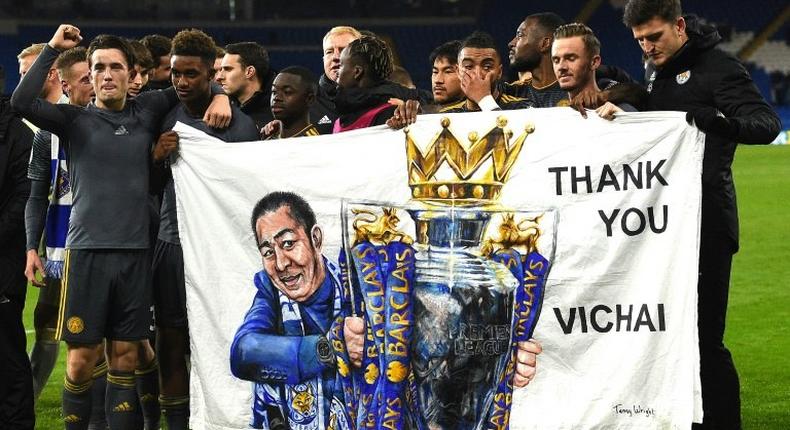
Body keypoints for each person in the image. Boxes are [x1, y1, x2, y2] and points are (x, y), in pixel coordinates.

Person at [11, 24, 231, 429]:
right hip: (87, 255)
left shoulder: (147, 110)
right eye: (98, 68)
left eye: (115, 67)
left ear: (133, 75)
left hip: (135, 255)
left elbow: (193, 86)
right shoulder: (73, 121)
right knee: (79, 362)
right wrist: (54, 49)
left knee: (126, 358)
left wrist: (219, 95)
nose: (107, 74)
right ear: (89, 77)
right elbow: (21, 100)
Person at [622, 1, 781, 428]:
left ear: (679, 26)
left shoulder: (718, 68)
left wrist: (721, 123)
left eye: (654, 37)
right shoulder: (656, 67)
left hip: (707, 221)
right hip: (665, 225)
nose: (648, 47)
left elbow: (766, 125)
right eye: (640, 40)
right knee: (667, 335)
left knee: (704, 339)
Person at [150, 28, 259, 430]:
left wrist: (222, 96)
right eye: (176, 73)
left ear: (210, 72)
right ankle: (177, 421)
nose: (181, 81)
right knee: (171, 340)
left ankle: (225, 418)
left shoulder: (237, 126)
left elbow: (246, 193)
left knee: (218, 338)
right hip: (171, 242)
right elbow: (147, 183)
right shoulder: (164, 115)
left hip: (219, 250)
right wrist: (156, 158)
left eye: (191, 74)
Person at [230, 191, 351, 429]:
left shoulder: (355, 291)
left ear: (315, 239)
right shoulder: (270, 294)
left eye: (288, 244)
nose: (281, 263)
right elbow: (243, 353)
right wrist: (330, 347)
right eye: (268, 252)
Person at [0, 93, 35, 430]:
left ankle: (16, 423)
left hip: (4, 259)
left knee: (6, 349)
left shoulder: (18, 134)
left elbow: (25, 195)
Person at [550, 23, 638, 119]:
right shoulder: (551, 111)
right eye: (556, 60)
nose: (561, 67)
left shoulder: (619, 110)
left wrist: (623, 119)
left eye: (571, 58)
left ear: (594, 62)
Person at [440, 31, 533, 113]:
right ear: (458, 71)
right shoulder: (447, 115)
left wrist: (484, 100)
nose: (478, 74)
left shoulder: (522, 108)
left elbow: (510, 132)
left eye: (487, 67)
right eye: (468, 66)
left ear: (499, 72)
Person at [333, 35, 402, 132]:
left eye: (341, 66)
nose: (337, 72)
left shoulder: (392, 117)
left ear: (357, 72)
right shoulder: (340, 119)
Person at [312, 26, 362, 133]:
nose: (335, 57)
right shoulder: (308, 102)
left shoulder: (379, 96)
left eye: (343, 50)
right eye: (329, 52)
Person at [217, 42, 277, 130]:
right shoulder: (221, 105)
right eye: (220, 70)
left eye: (227, 69)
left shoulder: (278, 111)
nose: (219, 77)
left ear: (249, 72)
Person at [261, 66, 321, 139]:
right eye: (274, 92)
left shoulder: (314, 143)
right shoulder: (268, 137)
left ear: (309, 99)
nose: (276, 98)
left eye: (287, 92)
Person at [428, 40, 464, 111]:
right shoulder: (421, 110)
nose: (438, 80)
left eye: (448, 72)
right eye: (435, 72)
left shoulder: (481, 110)